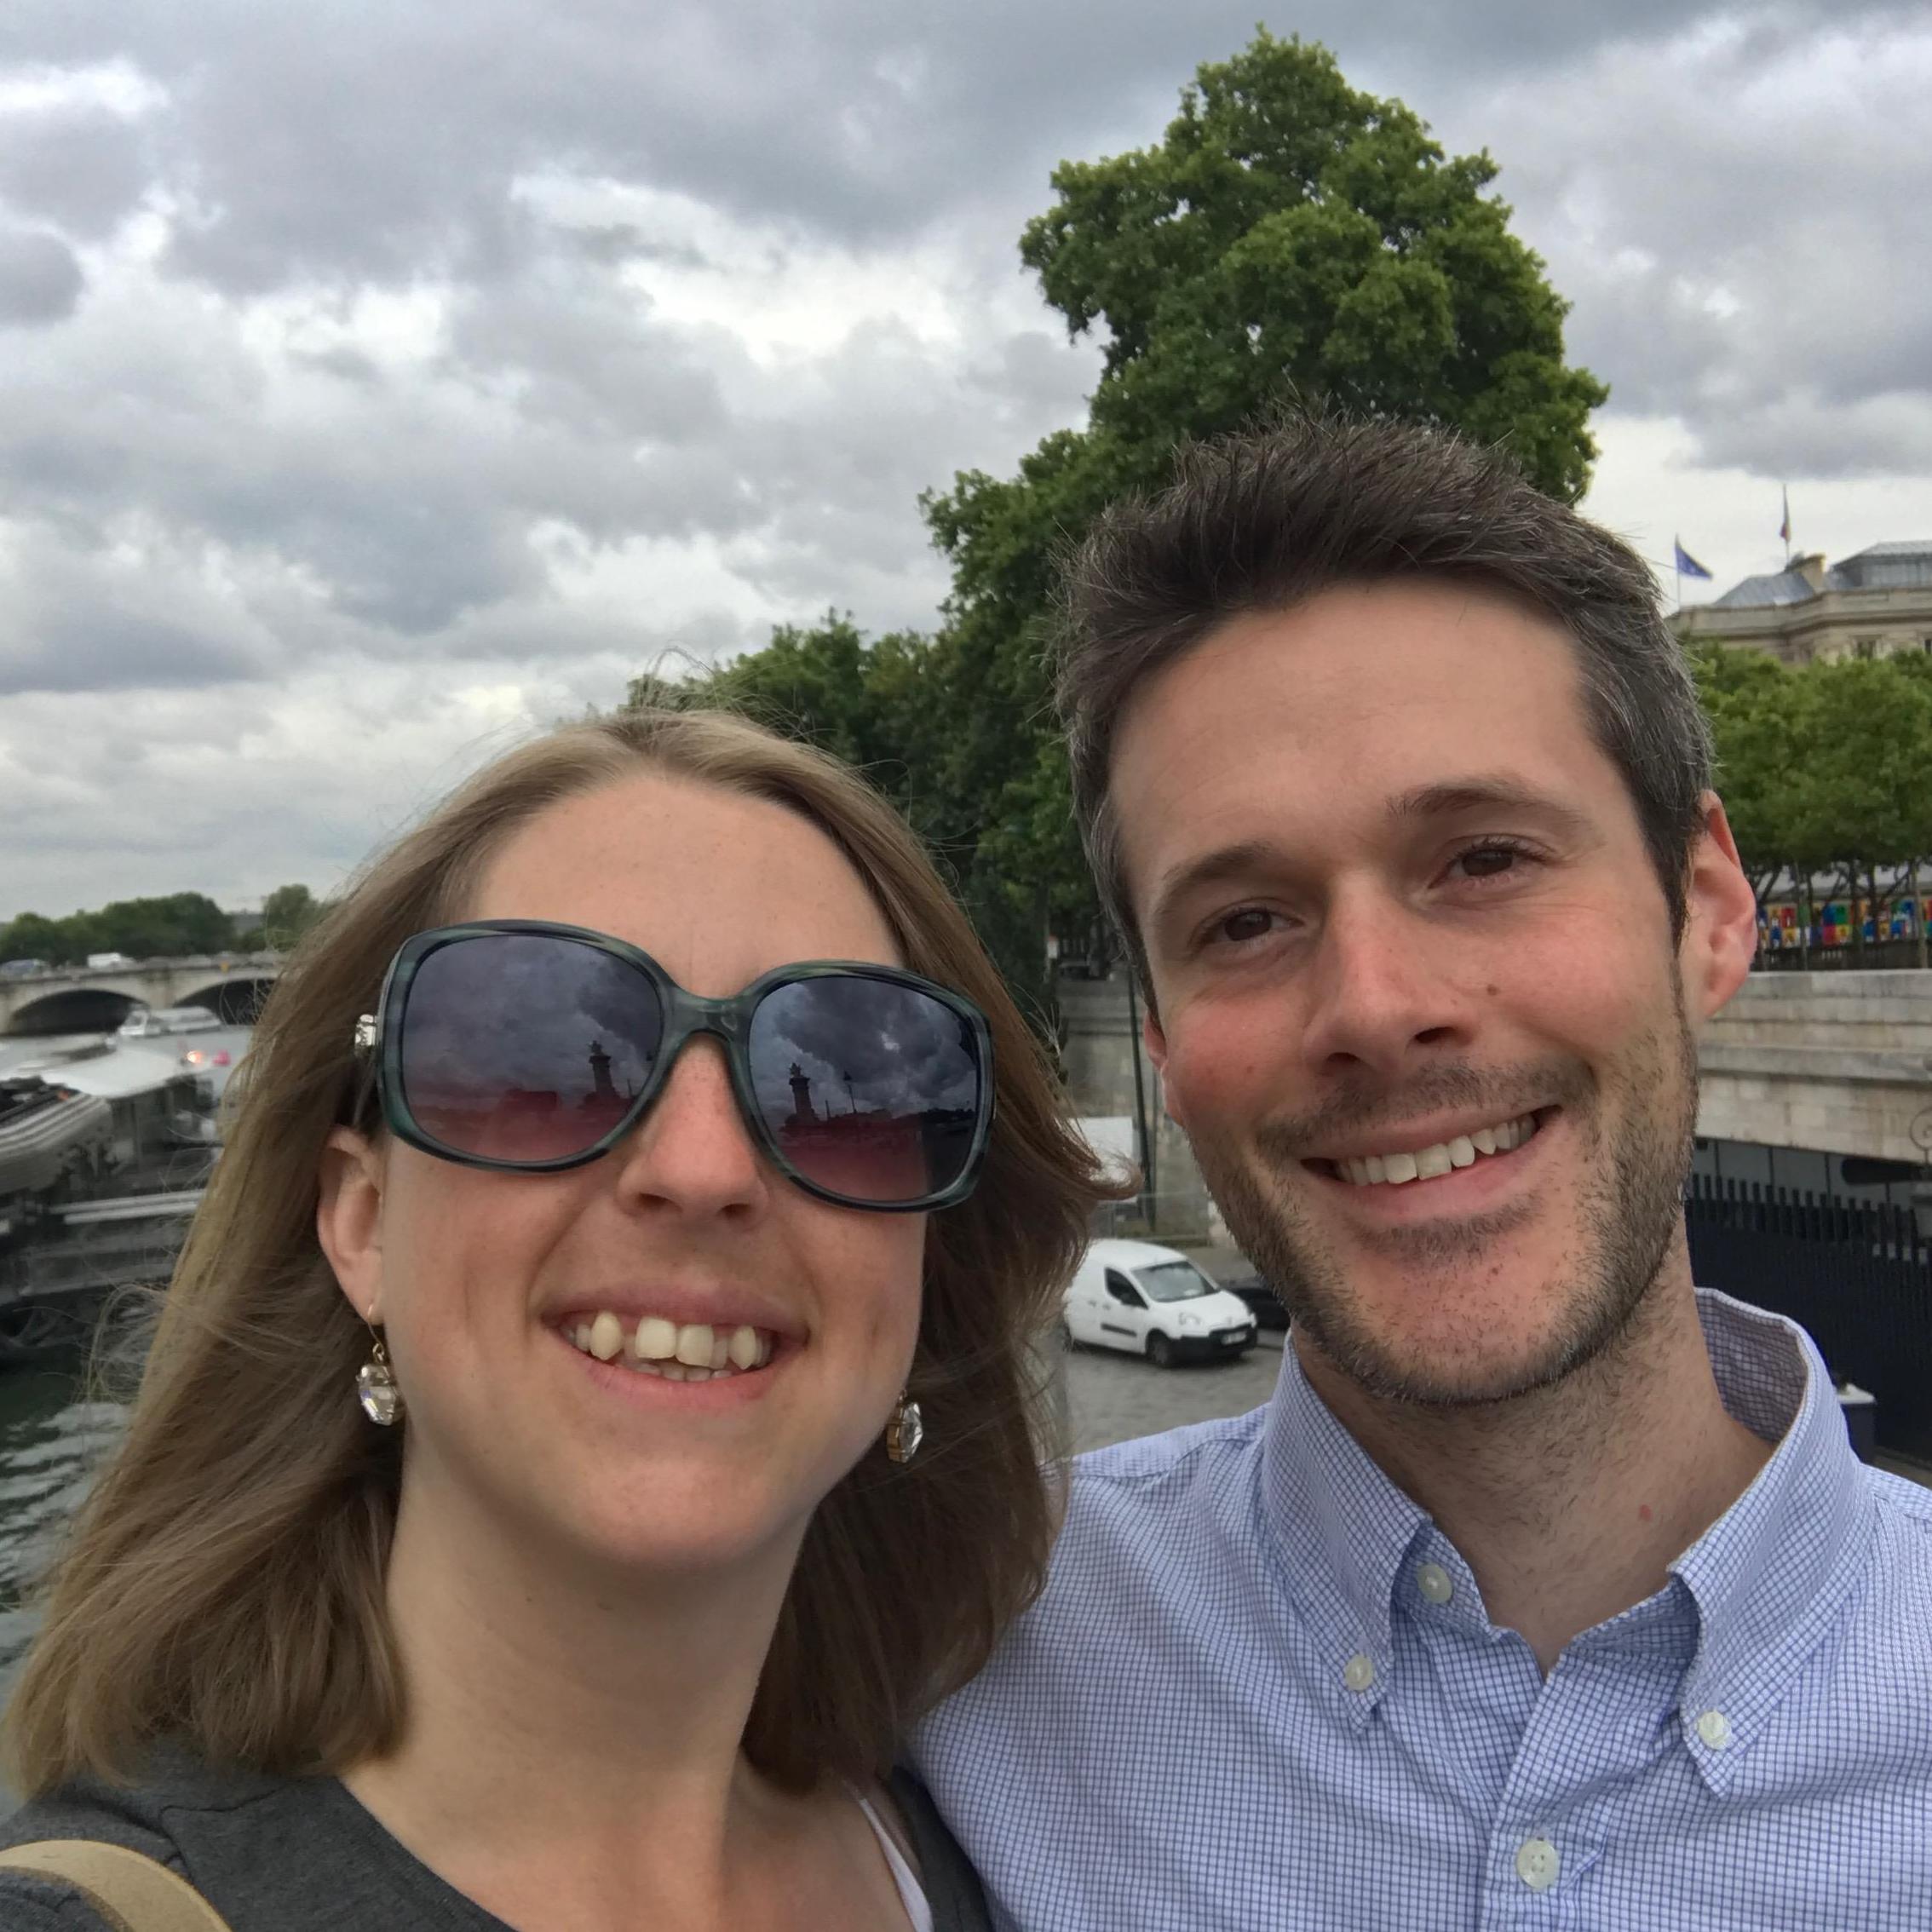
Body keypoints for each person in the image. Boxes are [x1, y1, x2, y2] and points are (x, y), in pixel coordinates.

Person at [914, 415, 1932, 1929]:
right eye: (1246, 922)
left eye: (1484, 858)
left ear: (1709, 909)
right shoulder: (958, 1655)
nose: (1378, 1006)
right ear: (1164, 1044)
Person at [0, 708, 1115, 1931]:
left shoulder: (1001, 1842)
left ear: (919, 1271)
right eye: (536, 1063)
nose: (702, 1169)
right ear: (362, 1223)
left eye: (845, 1080)